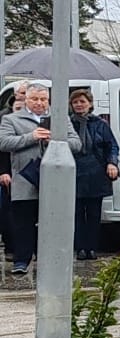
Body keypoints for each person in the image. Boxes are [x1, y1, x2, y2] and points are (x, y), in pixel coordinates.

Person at [0, 84, 84, 275]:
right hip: (25, 178)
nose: (39, 103)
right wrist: (31, 137)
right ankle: (22, 260)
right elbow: (4, 143)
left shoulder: (60, 118)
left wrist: (56, 140)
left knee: (53, 221)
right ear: (26, 100)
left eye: (43, 99)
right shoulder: (11, 119)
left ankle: (53, 260)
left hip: (54, 178)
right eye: (35, 99)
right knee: (23, 222)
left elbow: (76, 144)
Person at [69, 87, 119, 260]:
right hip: (74, 172)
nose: (79, 105)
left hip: (95, 171)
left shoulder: (100, 124)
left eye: (82, 101)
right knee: (76, 214)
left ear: (89, 104)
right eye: (75, 102)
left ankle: (92, 248)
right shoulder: (67, 123)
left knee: (94, 213)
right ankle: (80, 248)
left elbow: (111, 145)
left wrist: (112, 163)